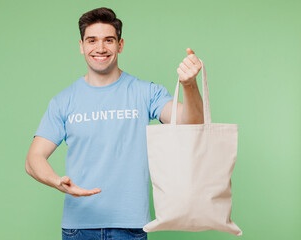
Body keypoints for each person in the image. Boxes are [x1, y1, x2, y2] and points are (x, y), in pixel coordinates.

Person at [25, 7, 204, 240]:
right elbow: (33, 160)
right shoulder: (63, 101)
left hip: (132, 227)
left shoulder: (145, 92)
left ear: (120, 45)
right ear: (81, 46)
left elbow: (192, 123)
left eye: (108, 40)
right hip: (79, 228)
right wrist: (57, 181)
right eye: (92, 40)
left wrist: (189, 86)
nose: (100, 48)